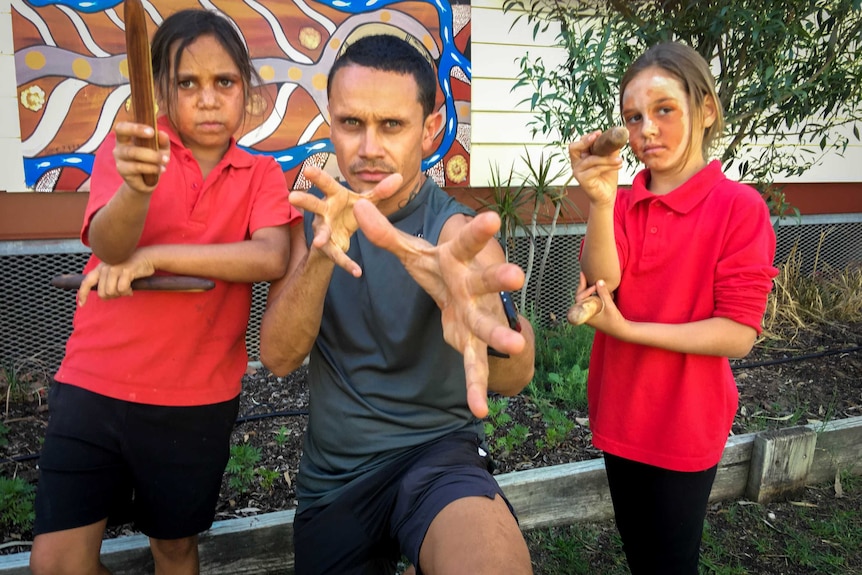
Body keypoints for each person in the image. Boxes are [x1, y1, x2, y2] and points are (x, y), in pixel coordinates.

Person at [29, 9, 300, 574]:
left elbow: (271, 255)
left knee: (174, 548)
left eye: (223, 82)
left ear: (246, 93)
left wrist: (154, 256)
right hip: (93, 384)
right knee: (57, 562)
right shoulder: (130, 154)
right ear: (159, 92)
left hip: (195, 400)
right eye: (187, 83)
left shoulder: (260, 175)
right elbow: (107, 243)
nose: (206, 99)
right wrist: (136, 189)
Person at [258, 34, 536, 575]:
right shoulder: (310, 220)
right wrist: (323, 252)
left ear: (429, 130)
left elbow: (514, 378)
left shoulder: (456, 233)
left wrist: (487, 318)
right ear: (330, 120)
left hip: (438, 458)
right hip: (337, 479)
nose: (367, 148)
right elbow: (278, 357)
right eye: (351, 123)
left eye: (391, 125)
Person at [568, 41, 778, 574]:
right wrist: (599, 201)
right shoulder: (623, 198)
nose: (645, 131)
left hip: (685, 421)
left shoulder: (739, 208)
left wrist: (629, 328)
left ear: (705, 109)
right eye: (633, 118)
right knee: (641, 551)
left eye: (664, 110)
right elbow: (601, 282)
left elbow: (737, 333)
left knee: (671, 561)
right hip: (620, 409)